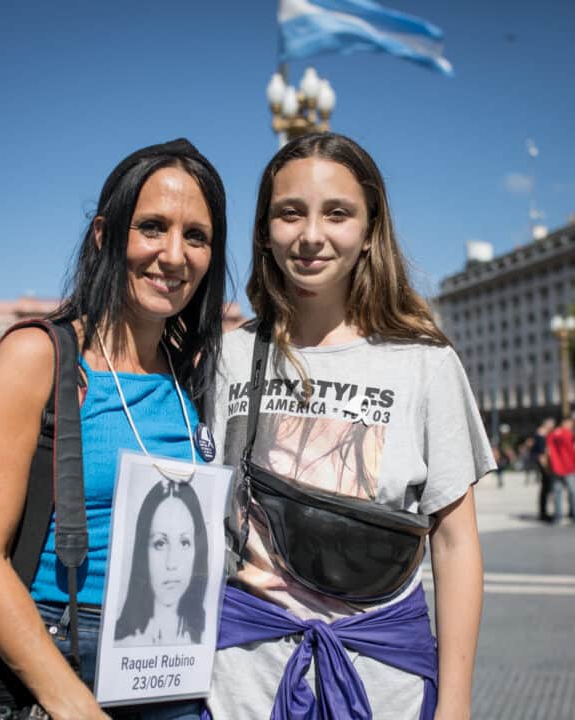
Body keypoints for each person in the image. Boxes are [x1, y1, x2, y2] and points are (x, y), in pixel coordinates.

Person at [206, 133, 493, 719]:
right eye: (290, 213)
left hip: (381, 682)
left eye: (337, 214)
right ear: (264, 231)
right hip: (242, 682)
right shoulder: (226, 356)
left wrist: (455, 703)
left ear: (369, 232)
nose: (311, 235)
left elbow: (456, 542)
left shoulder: (425, 362)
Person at [0, 139, 227, 720]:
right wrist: (73, 705)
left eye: (196, 236)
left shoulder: (195, 376)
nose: (173, 255)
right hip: (59, 665)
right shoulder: (38, 357)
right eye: (152, 227)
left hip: (174, 667)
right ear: (105, 235)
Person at [114, 480, 208, 647]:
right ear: (143, 551)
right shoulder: (120, 643)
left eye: (184, 542)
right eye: (160, 544)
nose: (171, 563)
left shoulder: (209, 639)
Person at [547, 415, 575, 524]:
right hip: (569, 466)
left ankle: (558, 517)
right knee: (572, 492)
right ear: (565, 422)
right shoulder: (570, 434)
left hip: (556, 467)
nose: (572, 425)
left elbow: (548, 451)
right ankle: (574, 516)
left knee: (557, 492)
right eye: (571, 423)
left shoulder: (552, 433)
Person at [533, 417, 556, 522]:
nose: (552, 426)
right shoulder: (541, 435)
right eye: (551, 424)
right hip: (544, 466)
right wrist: (546, 467)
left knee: (546, 489)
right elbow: (541, 454)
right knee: (546, 489)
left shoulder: (543, 435)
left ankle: (544, 512)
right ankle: (543, 513)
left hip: (544, 465)